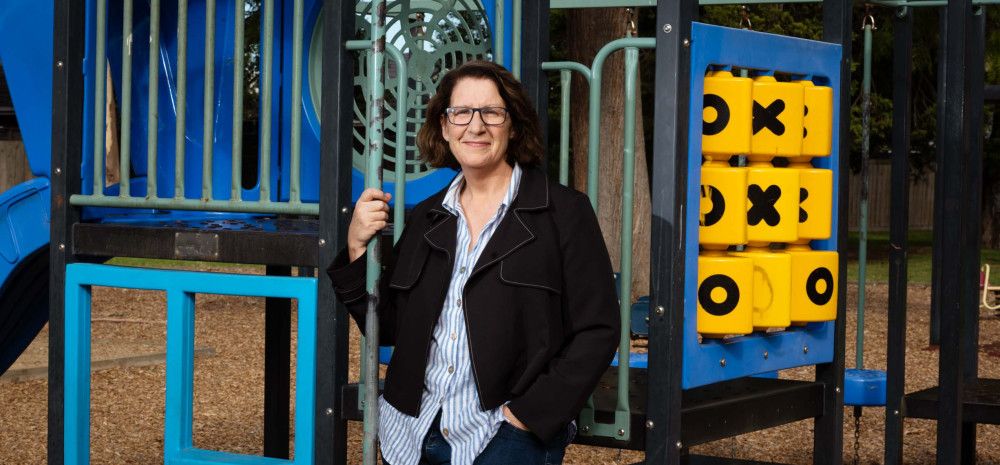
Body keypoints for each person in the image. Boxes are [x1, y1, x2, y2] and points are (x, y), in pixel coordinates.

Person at [327, 60, 619, 465]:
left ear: (513, 125)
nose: (475, 126)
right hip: (411, 435)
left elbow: (598, 330)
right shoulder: (429, 217)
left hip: (503, 437)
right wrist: (357, 246)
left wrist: (526, 418)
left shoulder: (563, 213)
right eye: (461, 112)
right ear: (445, 127)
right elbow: (390, 325)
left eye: (492, 113)